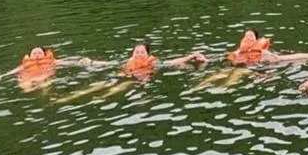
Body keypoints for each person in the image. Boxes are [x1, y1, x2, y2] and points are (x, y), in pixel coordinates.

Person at [55, 44, 207, 102]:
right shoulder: (127, 63)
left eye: (142, 52)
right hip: (125, 75)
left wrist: (191, 56)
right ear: (132, 54)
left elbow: (172, 62)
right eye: (136, 52)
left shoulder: (154, 63)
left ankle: (102, 97)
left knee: (126, 85)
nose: (139, 54)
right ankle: (77, 95)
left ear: (148, 54)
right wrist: (91, 62)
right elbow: (108, 64)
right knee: (109, 82)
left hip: (143, 77)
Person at [191, 30, 308, 91]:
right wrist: (204, 60)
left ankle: (222, 89)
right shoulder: (237, 52)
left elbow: (278, 59)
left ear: (257, 39)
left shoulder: (264, 52)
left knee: (236, 75)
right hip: (233, 66)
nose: (248, 37)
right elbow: (220, 59)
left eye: (251, 36)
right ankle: (198, 87)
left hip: (250, 68)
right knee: (216, 75)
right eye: (246, 36)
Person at [0, 47, 92, 91]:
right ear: (30, 56)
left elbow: (66, 63)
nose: (37, 54)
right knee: (26, 88)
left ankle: (44, 93)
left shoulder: (52, 61)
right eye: (34, 53)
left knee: (45, 84)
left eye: (39, 53)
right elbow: (12, 72)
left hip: (44, 75)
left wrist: (80, 62)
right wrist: (1, 76)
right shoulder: (24, 65)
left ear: (44, 55)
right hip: (28, 76)